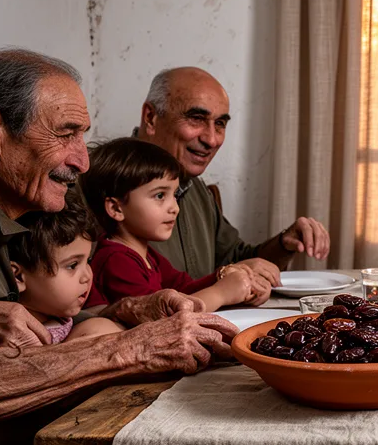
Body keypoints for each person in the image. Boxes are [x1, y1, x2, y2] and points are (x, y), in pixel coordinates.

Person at [0, 49, 238, 431]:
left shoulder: (20, 210)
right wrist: (136, 348)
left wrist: (129, 309)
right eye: (65, 133)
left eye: (83, 137)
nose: (82, 161)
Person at [134, 67, 331, 304]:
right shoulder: (101, 181)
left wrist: (283, 244)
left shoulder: (196, 189)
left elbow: (236, 259)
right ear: (151, 118)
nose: (211, 139)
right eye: (196, 118)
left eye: (220, 124)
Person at [79, 138, 254, 310]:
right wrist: (221, 293)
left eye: (174, 195)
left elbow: (184, 288)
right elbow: (160, 321)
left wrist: (225, 276)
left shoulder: (147, 254)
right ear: (116, 208)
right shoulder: (116, 261)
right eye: (160, 196)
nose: (175, 208)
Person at [8, 191, 123, 344]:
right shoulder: (12, 337)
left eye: (88, 260)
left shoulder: (63, 319)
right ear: (18, 277)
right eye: (72, 265)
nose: (87, 276)